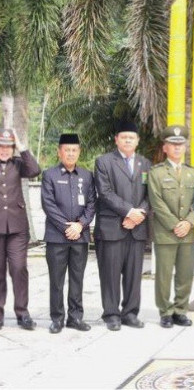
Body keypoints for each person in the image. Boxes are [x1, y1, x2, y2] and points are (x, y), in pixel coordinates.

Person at [94, 120, 151, 331]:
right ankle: (111, 314)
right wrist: (129, 211)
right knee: (110, 273)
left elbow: (150, 194)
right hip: (112, 228)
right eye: (124, 137)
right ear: (116, 139)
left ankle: (130, 313)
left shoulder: (145, 164)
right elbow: (105, 192)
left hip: (136, 228)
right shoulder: (104, 162)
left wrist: (139, 213)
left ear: (137, 141)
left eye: (132, 137)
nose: (128, 140)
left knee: (133, 274)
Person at [41, 133, 96, 333]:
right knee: (56, 280)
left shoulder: (87, 175)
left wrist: (80, 225)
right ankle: (57, 318)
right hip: (56, 238)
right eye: (67, 150)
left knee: (77, 278)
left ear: (79, 152)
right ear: (59, 152)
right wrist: (67, 227)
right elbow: (48, 205)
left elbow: (92, 204)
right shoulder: (50, 175)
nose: (71, 153)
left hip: (80, 237)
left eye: (74, 150)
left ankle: (75, 317)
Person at [148, 125, 194, 328]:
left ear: (185, 147)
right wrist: (174, 224)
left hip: (188, 233)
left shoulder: (192, 173)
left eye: (180, 144)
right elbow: (156, 201)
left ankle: (180, 310)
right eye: (172, 144)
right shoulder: (156, 172)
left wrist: (188, 222)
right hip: (165, 233)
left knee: (185, 275)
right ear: (165, 147)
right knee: (164, 275)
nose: (177, 148)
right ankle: (165, 312)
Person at [0, 128, 40, 330]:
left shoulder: (18, 164)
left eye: (8, 146)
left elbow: (34, 170)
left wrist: (22, 147)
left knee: (18, 268)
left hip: (17, 228)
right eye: (1, 146)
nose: (4, 150)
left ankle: (22, 313)